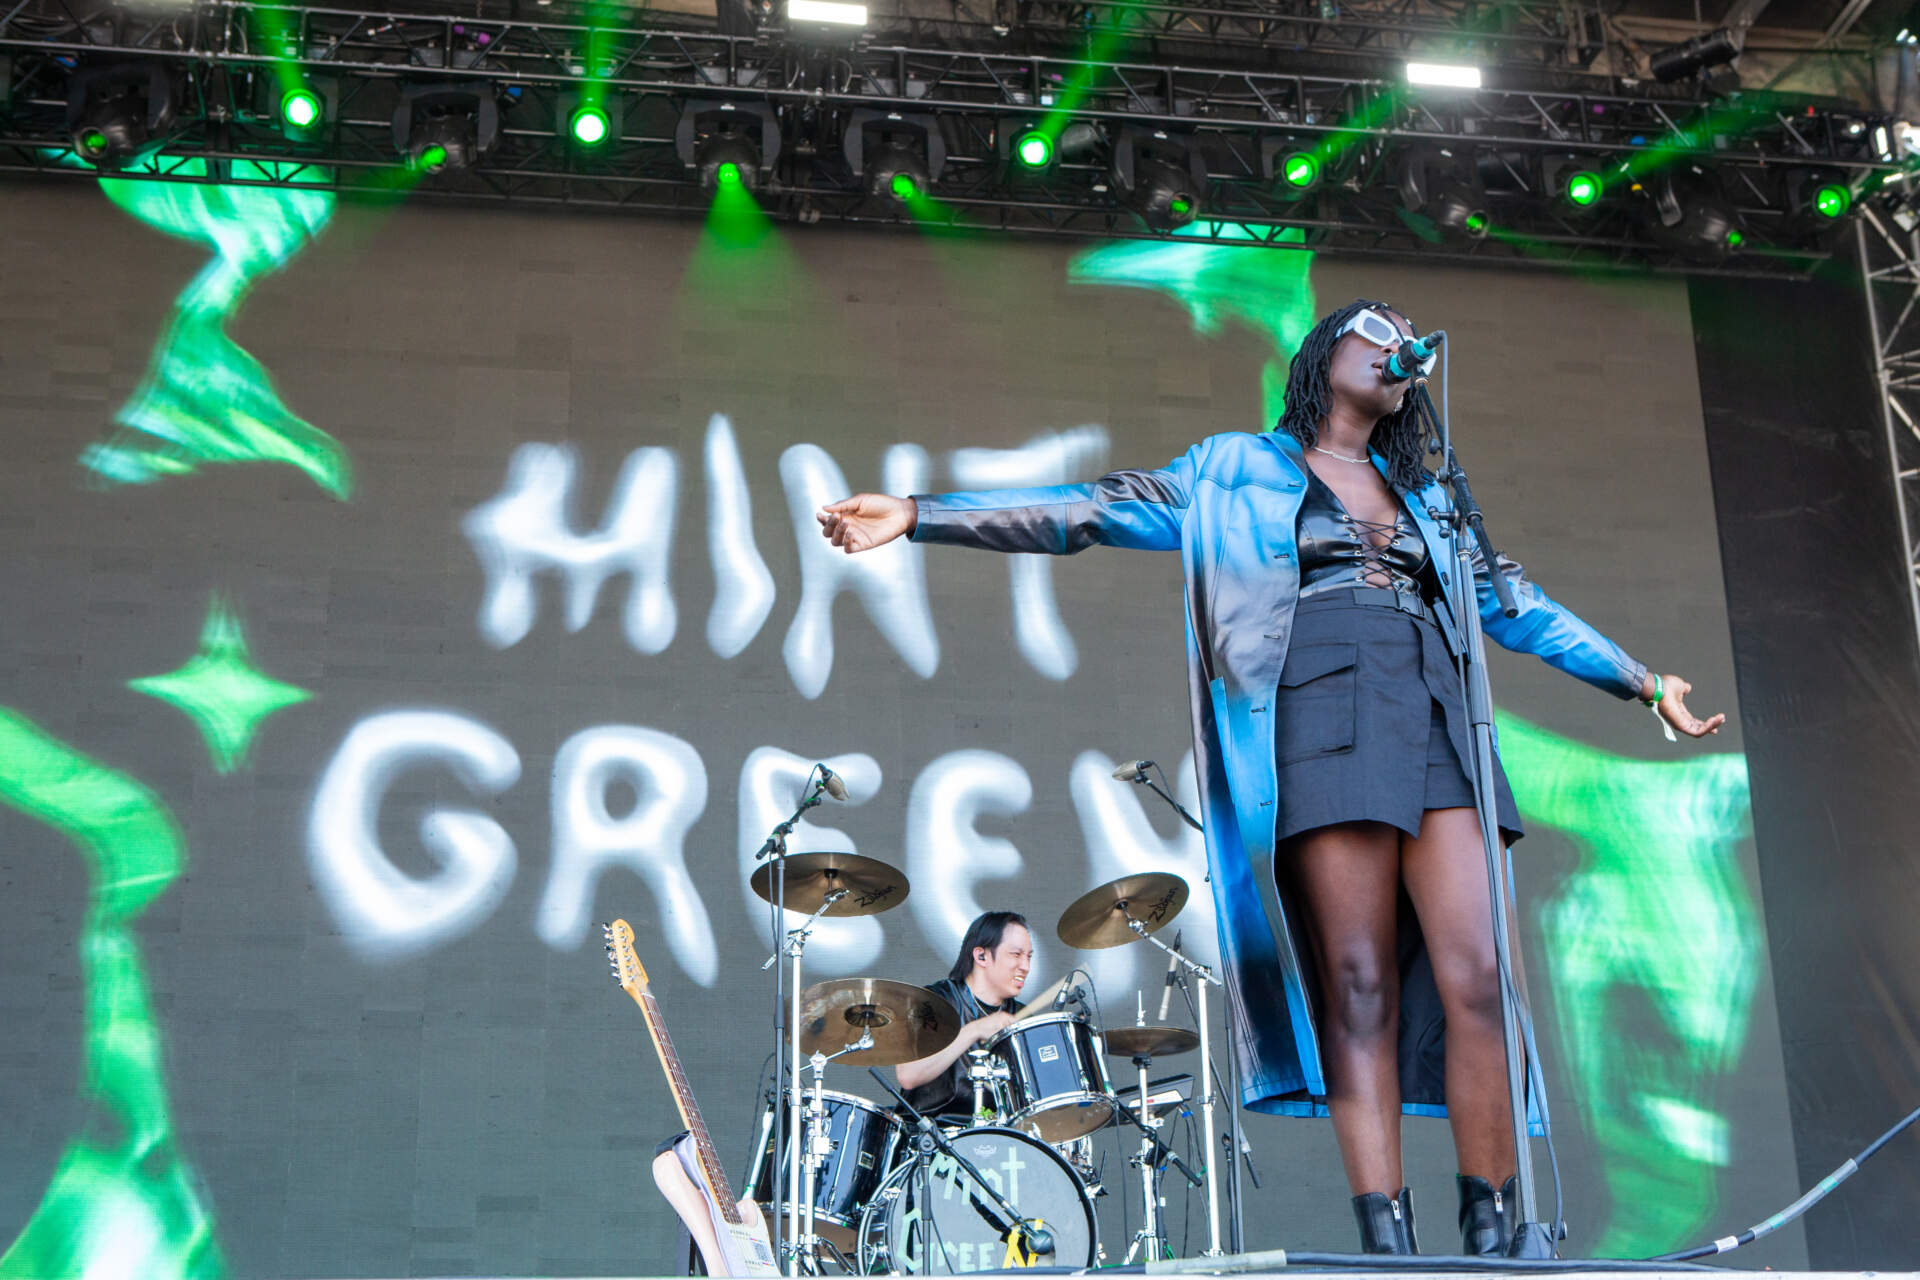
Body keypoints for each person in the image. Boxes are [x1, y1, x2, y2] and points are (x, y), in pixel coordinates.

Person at [818, 299, 1725, 1257]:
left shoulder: (1429, 494)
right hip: (1318, 721)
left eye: (1407, 338)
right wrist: (922, 516)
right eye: (1378, 328)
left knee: (1482, 978)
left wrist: (1643, 682)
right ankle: (1388, 1241)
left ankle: (1495, 1230)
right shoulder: (1231, 470)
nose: (1398, 345)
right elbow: (1087, 510)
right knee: (1360, 983)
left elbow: (1516, 602)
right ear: (1325, 353)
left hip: (1433, 717)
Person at [896, 911, 1032, 1123]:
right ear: (981, 956)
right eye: (1016, 954)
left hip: (999, 1139)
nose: (1025, 966)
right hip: (932, 1135)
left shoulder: (1022, 1018)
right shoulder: (935, 1001)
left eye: (1029, 956)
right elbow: (908, 1075)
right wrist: (974, 1030)